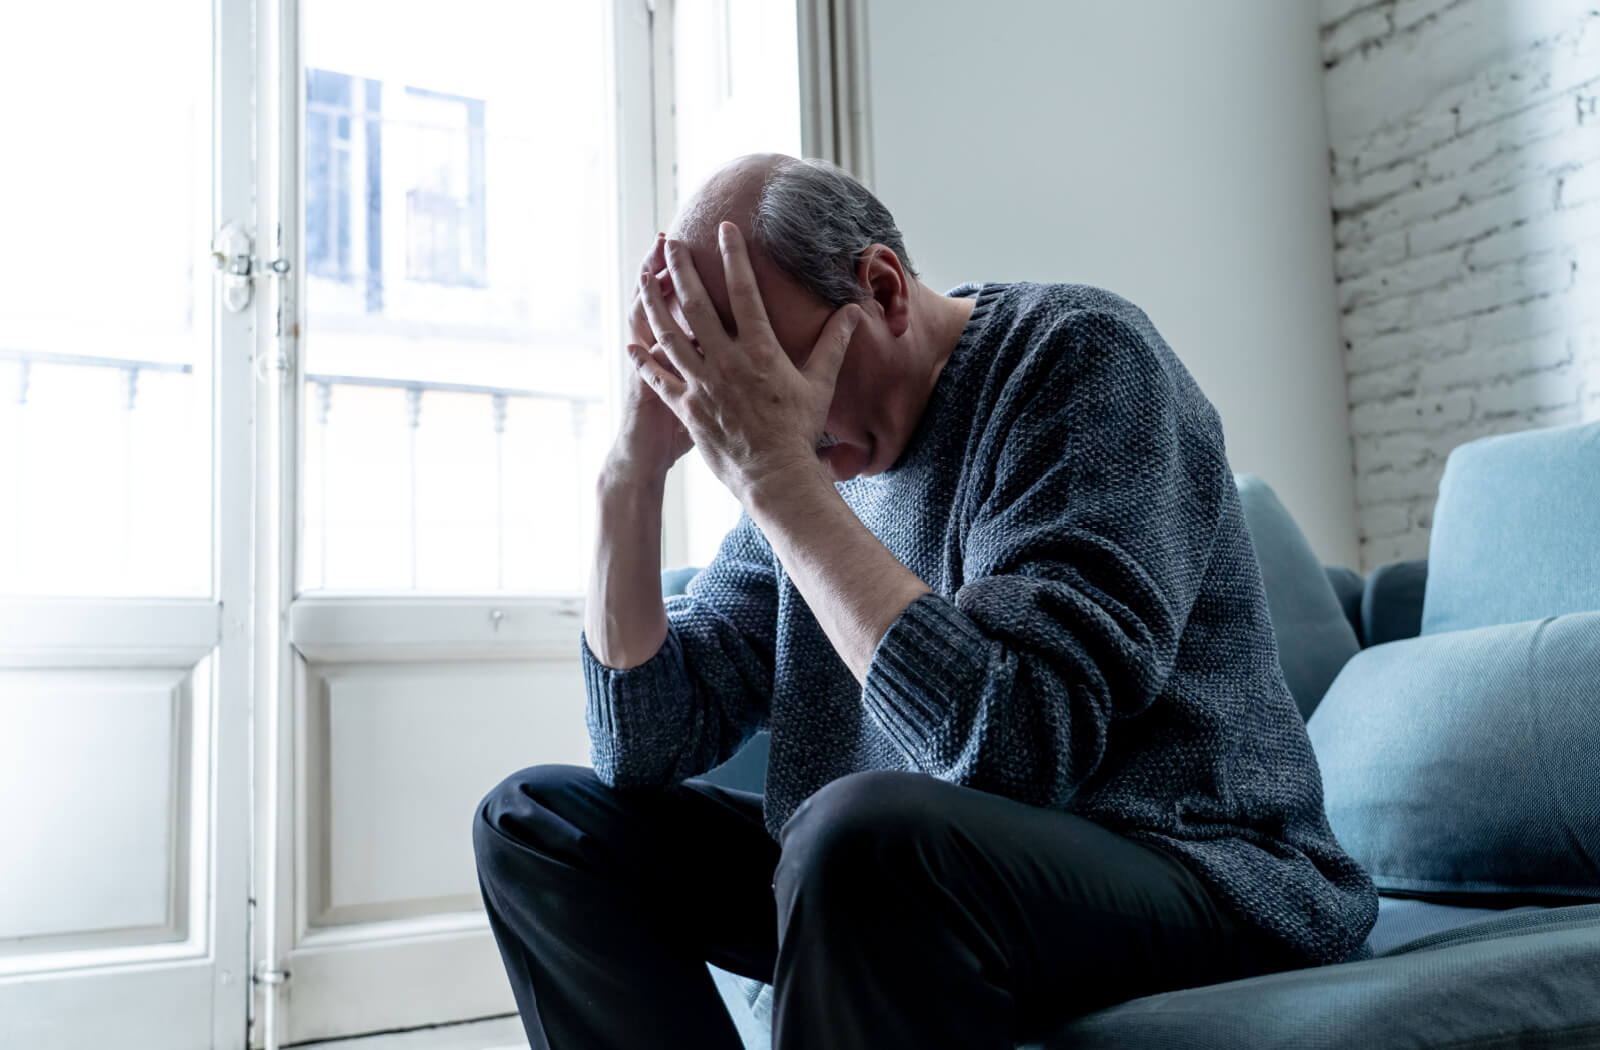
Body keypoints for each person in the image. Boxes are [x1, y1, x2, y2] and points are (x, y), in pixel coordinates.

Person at [472, 153, 1378, 1050]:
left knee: (860, 835)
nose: (771, 414)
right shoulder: (808, 462)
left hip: (1197, 866)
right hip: (893, 868)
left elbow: (1017, 748)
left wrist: (779, 476)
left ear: (883, 288)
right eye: (743, 393)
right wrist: (627, 475)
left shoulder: (1079, 358)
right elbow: (643, 744)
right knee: (539, 826)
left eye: (784, 375)